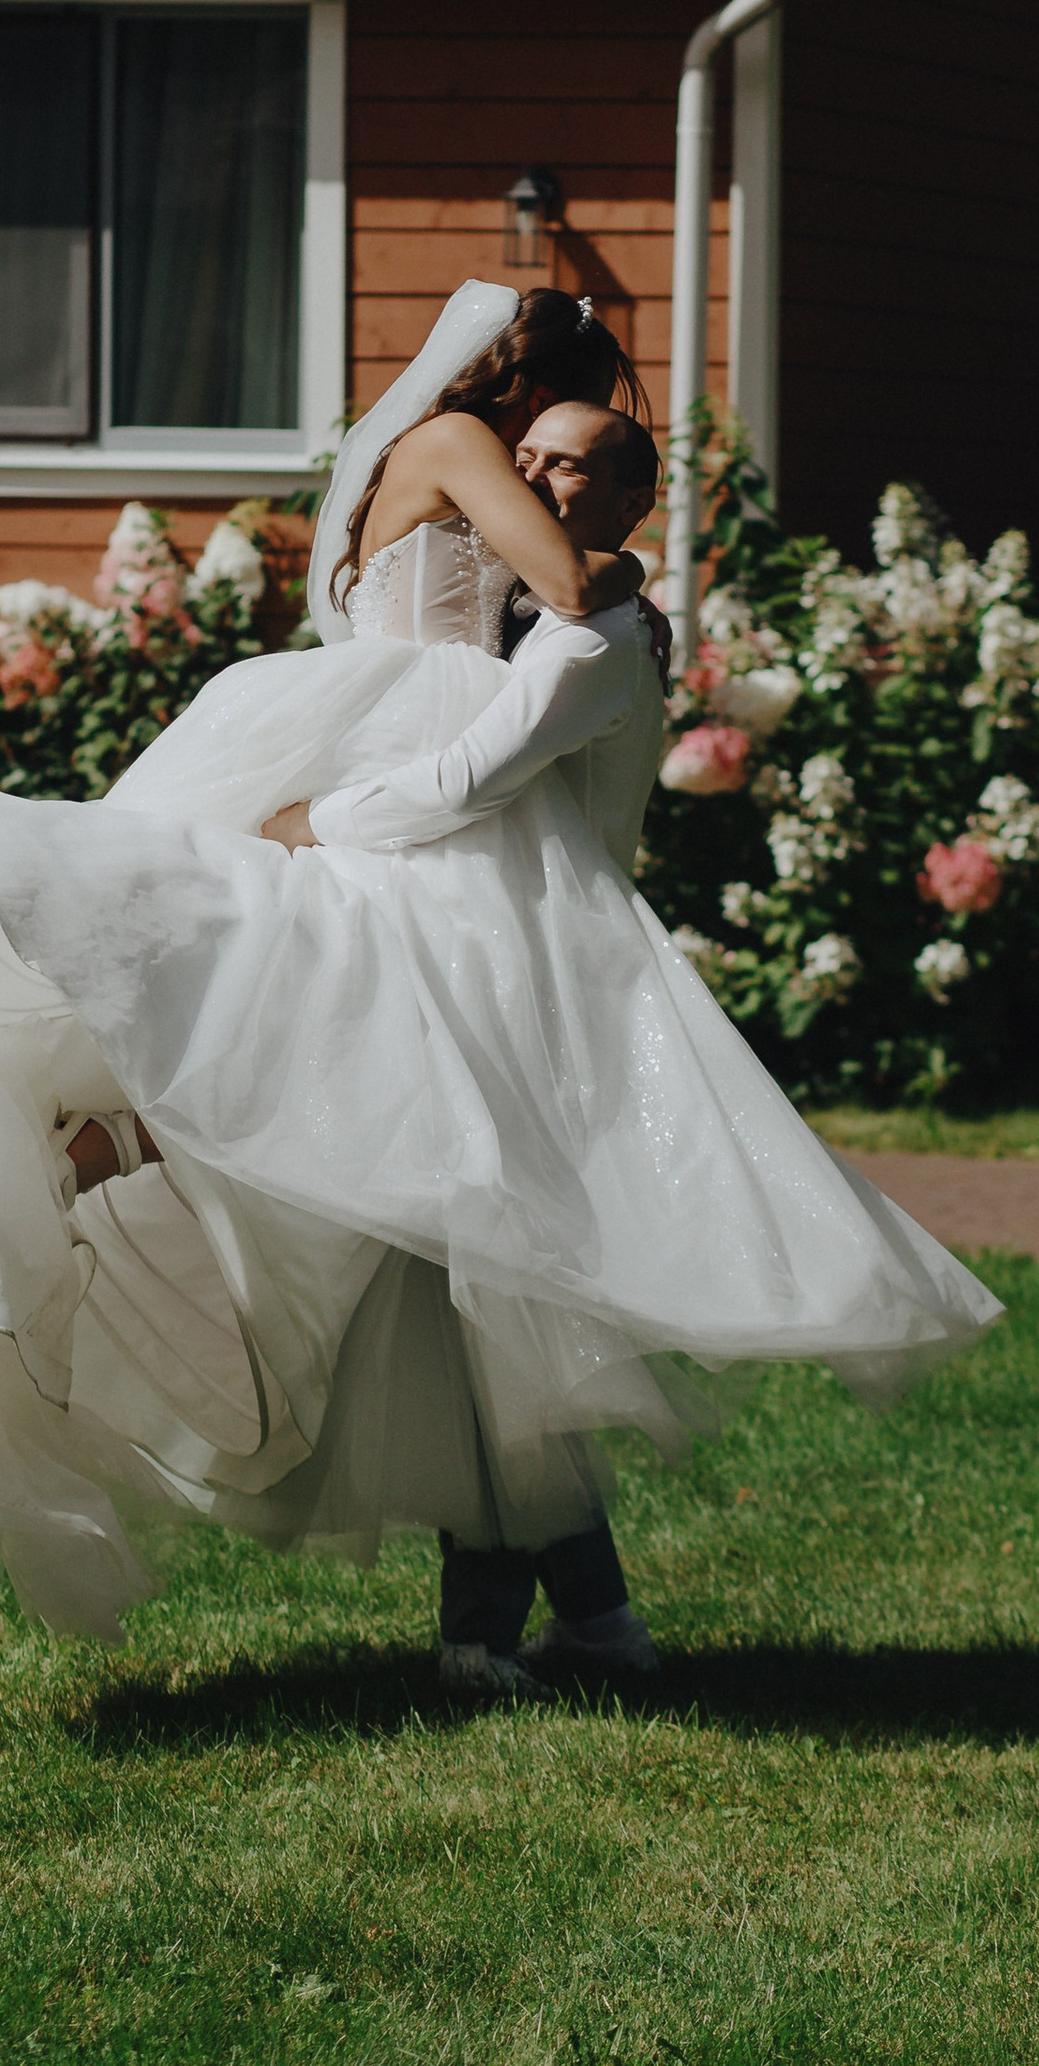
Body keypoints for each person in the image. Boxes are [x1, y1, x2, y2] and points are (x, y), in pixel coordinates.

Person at [0, 280, 1002, 1662]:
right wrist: (627, 594)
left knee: (413, 1163)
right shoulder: (464, 446)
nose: (537, 462)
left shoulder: (457, 477)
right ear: (525, 385)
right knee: (380, 1091)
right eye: (555, 427)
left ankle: (561, 1610)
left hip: (421, 778)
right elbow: (576, 587)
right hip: (414, 785)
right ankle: (114, 1144)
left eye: (571, 451)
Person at [259, 395, 675, 1695]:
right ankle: (596, 1620)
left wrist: (309, 823)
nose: (538, 477)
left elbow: (469, 782)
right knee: (468, 1303)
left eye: (575, 466)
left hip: (536, 998)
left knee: (488, 1303)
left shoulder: (594, 641)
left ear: (624, 509)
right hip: (504, 973)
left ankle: (478, 1642)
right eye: (530, 455)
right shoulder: (548, 627)